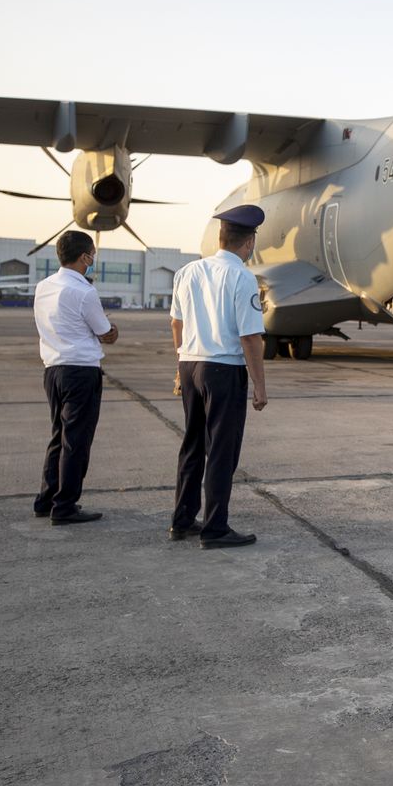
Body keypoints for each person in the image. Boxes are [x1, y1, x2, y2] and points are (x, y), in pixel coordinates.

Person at [169, 205, 271, 549]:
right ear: (249, 242)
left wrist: (180, 366)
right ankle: (215, 528)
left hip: (190, 364)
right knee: (222, 451)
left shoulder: (187, 271)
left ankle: (182, 519)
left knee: (193, 445)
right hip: (223, 370)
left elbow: (176, 324)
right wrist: (259, 385)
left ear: (220, 237)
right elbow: (250, 337)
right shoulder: (242, 277)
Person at [31, 231, 118, 526]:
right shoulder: (84, 292)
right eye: (92, 254)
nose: (93, 260)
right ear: (84, 257)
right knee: (76, 441)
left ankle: (46, 498)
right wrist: (112, 331)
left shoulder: (43, 287)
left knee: (58, 436)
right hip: (80, 372)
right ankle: (65, 505)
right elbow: (105, 332)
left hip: (53, 370)